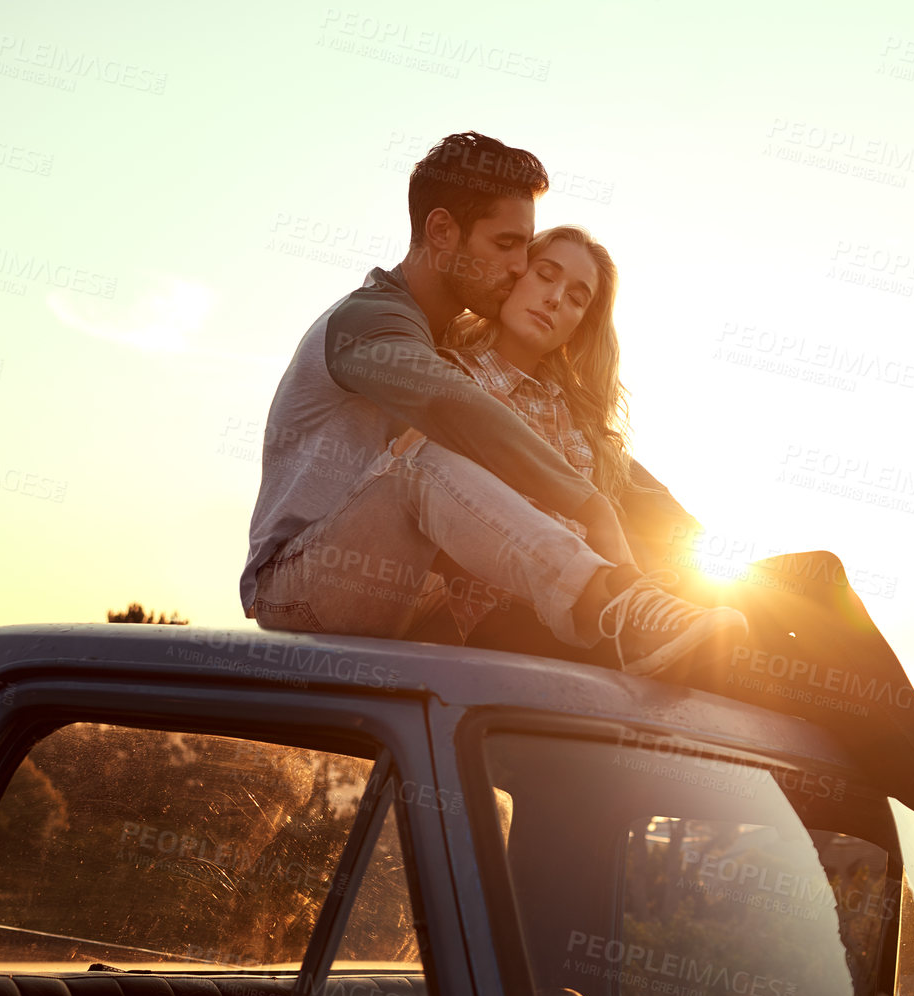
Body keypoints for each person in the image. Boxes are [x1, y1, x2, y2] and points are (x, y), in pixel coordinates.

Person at [417, 222, 914, 913]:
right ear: (512, 274)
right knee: (820, 673)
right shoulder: (449, 372)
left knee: (815, 592)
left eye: (579, 295)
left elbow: (675, 526)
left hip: (624, 616)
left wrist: (723, 585)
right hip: (521, 626)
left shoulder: (579, 419)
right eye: (545, 274)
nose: (557, 297)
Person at [239, 133, 744, 680]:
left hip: (418, 598)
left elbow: (622, 476)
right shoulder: (369, 322)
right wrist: (590, 506)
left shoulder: (446, 339)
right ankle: (612, 603)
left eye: (525, 247)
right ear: (441, 232)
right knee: (420, 465)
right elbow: (456, 410)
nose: (518, 266)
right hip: (301, 584)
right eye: (506, 244)